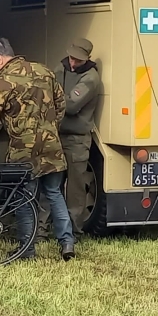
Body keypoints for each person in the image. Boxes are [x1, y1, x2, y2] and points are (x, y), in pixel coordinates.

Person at [0, 36, 74, 260]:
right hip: (51, 146)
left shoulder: (2, 83)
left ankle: (27, 249)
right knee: (54, 194)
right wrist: (50, 129)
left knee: (24, 198)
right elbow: (61, 105)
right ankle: (67, 243)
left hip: (24, 152)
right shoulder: (44, 71)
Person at [57, 36, 101, 227]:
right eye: (72, 58)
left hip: (77, 139)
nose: (73, 63)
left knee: (75, 189)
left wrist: (55, 100)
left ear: (87, 59)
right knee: (50, 185)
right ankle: (42, 228)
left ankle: (73, 230)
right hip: (57, 135)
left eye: (78, 60)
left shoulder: (91, 77)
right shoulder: (60, 68)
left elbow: (71, 105)